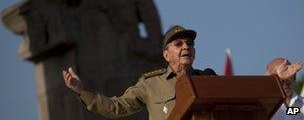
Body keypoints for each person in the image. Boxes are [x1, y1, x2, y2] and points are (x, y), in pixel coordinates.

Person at [62, 25, 216, 119]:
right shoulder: (150, 84)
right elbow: (117, 107)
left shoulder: (207, 80)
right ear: (166, 55)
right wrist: (82, 91)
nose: (186, 47)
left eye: (190, 43)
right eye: (178, 44)